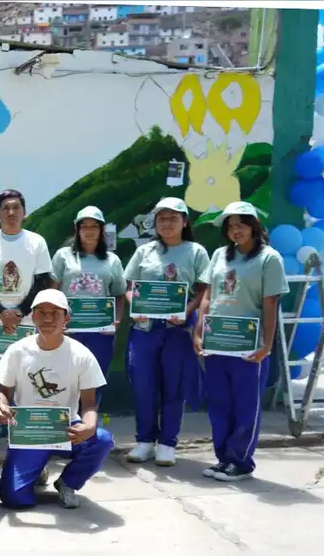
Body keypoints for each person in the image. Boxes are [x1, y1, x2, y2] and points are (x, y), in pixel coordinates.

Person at [194, 202, 288, 482]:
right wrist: (198, 332)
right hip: (216, 342)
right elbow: (208, 297)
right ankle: (224, 459)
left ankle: (241, 461)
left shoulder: (269, 258)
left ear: (254, 226)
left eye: (241, 224)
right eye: (230, 226)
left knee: (245, 404)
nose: (236, 231)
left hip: (248, 345)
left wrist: (267, 344)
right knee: (219, 403)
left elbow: (270, 304)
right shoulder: (219, 255)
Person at [0, 289, 114, 509]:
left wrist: (89, 426)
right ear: (33, 316)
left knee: (102, 440)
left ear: (66, 318)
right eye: (41, 312)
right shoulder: (17, 351)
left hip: (66, 428)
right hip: (29, 431)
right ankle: (37, 468)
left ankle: (68, 483)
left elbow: (89, 403)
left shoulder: (81, 354)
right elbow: (4, 391)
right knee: (14, 499)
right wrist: (1, 403)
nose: (48, 318)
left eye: (55, 313)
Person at [124, 197, 210, 467]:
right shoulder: (144, 251)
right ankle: (145, 441)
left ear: (185, 222)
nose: (167, 223)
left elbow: (204, 290)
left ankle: (167, 443)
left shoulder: (196, 252)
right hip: (145, 329)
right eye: (161, 218)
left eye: (173, 218)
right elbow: (129, 286)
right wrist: (134, 306)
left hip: (178, 330)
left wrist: (188, 311)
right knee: (144, 385)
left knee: (174, 386)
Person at [50, 206, 126, 406]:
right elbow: (52, 292)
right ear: (77, 229)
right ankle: (67, 422)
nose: (89, 231)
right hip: (68, 331)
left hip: (100, 333)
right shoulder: (63, 256)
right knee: (64, 381)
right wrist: (55, 323)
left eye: (94, 226)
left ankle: (88, 421)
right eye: (84, 226)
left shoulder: (112, 260)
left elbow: (119, 295)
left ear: (102, 230)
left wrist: (116, 322)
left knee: (94, 381)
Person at [0, 189, 54, 350]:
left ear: (24, 213)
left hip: (27, 323)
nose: (11, 212)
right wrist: (0, 312)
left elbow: (42, 282)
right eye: (5, 208)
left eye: (16, 207)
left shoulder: (37, 242)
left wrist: (20, 312)